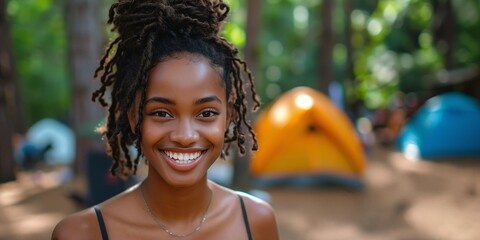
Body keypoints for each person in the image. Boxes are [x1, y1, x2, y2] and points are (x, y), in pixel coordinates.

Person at [51, 0, 279, 239]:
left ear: (228, 117)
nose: (185, 136)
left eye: (206, 113)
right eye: (161, 113)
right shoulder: (82, 233)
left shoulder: (255, 221)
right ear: (133, 118)